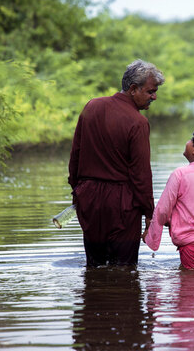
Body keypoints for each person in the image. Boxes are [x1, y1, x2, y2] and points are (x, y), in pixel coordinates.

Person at [68, 59, 164, 266]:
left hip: (90, 199)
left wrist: (77, 191)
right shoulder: (138, 122)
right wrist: (149, 212)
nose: (154, 97)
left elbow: (75, 153)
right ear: (133, 89)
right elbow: (141, 174)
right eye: (150, 92)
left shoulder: (92, 106)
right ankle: (122, 297)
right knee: (125, 268)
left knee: (94, 265)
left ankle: (95, 296)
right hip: (122, 202)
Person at [143, 128, 194, 270]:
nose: (187, 142)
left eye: (191, 140)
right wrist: (172, 221)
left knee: (192, 288)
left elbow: (163, 209)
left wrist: (150, 233)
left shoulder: (180, 174)